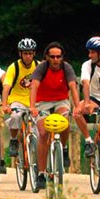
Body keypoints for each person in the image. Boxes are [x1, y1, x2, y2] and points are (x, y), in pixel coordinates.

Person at [29, 42, 80, 189]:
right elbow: (34, 86)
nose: (56, 60)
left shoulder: (67, 68)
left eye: (59, 57)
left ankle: (63, 149)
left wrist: (77, 107)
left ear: (62, 57)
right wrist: (32, 106)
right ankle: (41, 173)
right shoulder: (42, 68)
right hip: (42, 102)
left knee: (64, 122)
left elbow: (72, 87)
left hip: (60, 101)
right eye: (52, 57)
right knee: (43, 133)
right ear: (47, 57)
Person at [2, 38, 40, 159]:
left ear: (34, 53)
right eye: (25, 53)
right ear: (20, 54)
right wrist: (4, 104)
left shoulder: (39, 66)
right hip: (17, 99)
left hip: (34, 101)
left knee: (41, 129)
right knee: (15, 116)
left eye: (30, 53)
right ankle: (13, 140)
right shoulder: (14, 67)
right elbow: (7, 87)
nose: (28, 56)